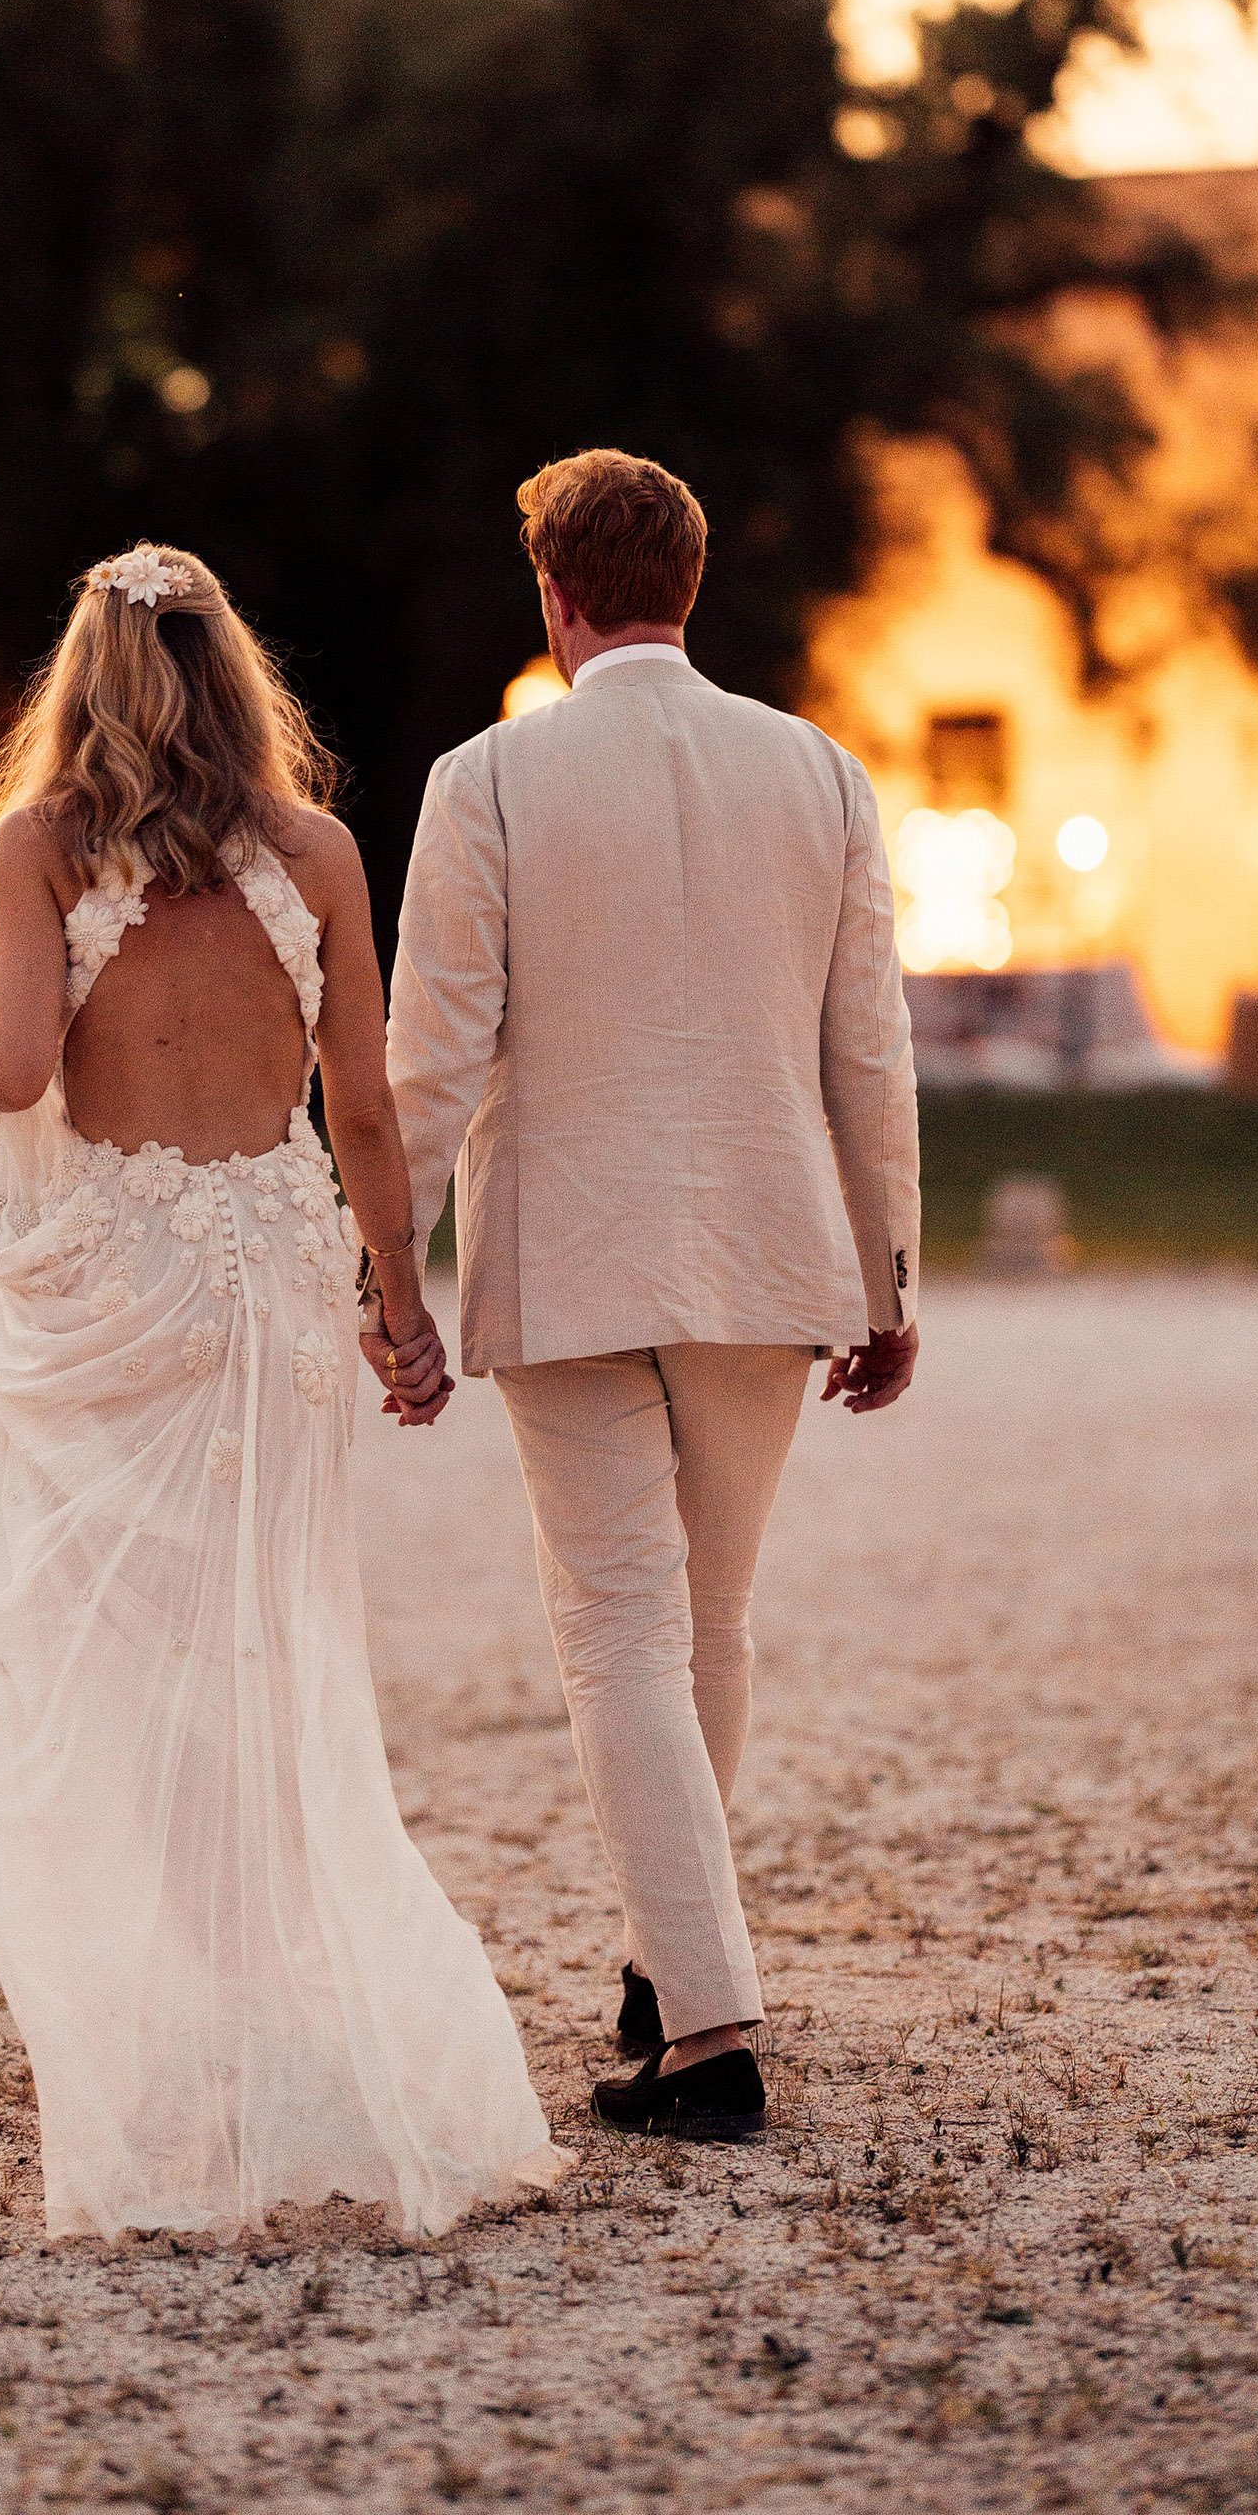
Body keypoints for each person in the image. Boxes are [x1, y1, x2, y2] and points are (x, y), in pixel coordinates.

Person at [0, 541, 564, 2239]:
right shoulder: (317, 851)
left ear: (86, 683)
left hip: (115, 1289)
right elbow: (373, 1115)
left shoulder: (40, 848)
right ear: (233, 674)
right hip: (266, 1283)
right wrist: (399, 1307)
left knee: (101, 1661)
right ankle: (294, 2028)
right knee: (277, 1644)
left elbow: (22, 1068)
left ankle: (172, 2043)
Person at [383, 451, 920, 2145]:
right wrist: (889, 1270)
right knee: (711, 1621)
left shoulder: (485, 782)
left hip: (571, 1263)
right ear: (693, 587)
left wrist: (383, 1273)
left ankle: (708, 2038)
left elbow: (432, 1061)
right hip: (771, 1259)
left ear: (553, 597)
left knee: (619, 1627)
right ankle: (662, 1963)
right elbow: (871, 1054)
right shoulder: (820, 773)